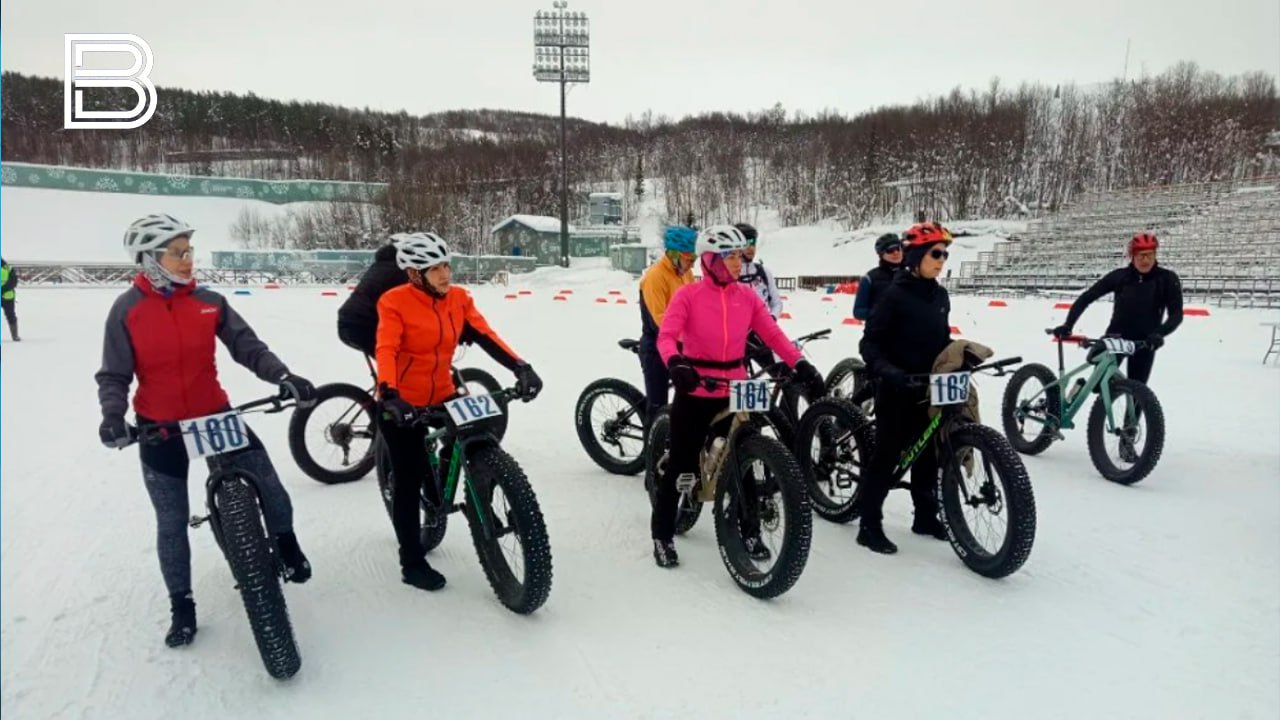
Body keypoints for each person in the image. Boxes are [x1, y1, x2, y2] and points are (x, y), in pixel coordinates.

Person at [94, 214, 318, 648]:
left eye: (189, 251)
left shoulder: (209, 301)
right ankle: (182, 605)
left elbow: (248, 348)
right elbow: (114, 375)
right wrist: (112, 416)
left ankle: (286, 544)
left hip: (214, 415)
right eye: (177, 253)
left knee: (270, 486)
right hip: (161, 427)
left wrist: (282, 376)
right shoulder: (127, 310)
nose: (188, 259)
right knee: (172, 521)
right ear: (149, 259)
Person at [373, 232, 543, 591]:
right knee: (408, 479)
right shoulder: (394, 302)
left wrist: (521, 367)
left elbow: (486, 335)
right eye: (435, 269)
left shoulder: (458, 299)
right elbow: (386, 348)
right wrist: (389, 393)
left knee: (475, 433)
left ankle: (451, 484)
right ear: (414, 274)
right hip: (401, 400)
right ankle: (411, 562)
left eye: (447, 266)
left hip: (443, 391)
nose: (445, 274)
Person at [651, 224, 826, 568]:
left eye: (738, 255)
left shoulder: (746, 296)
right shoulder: (688, 295)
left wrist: (800, 363)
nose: (737, 262)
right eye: (728, 256)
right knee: (682, 463)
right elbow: (666, 337)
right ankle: (662, 535)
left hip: (736, 384)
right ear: (709, 260)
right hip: (697, 385)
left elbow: (772, 334)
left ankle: (750, 530)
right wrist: (676, 363)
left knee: (744, 454)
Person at [856, 222, 956, 555]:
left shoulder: (940, 296)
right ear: (916, 256)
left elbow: (942, 339)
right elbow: (869, 344)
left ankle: (925, 516)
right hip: (896, 386)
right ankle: (869, 525)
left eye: (945, 254)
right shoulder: (893, 296)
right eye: (936, 254)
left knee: (928, 452)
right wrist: (889, 371)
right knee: (886, 455)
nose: (942, 260)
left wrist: (959, 356)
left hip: (928, 386)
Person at [1051, 232, 1183, 384]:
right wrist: (1068, 325)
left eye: (1150, 255)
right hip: (1116, 337)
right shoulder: (1120, 276)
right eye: (1141, 255)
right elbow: (1087, 297)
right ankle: (1083, 390)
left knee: (1137, 391)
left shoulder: (1167, 279)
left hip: (1145, 342)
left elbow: (1176, 314)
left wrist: (1159, 333)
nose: (1145, 260)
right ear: (1132, 256)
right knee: (1100, 385)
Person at [637, 225, 696, 424]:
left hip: (681, 346)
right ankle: (651, 442)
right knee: (657, 407)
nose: (692, 265)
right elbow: (660, 321)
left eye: (694, 259)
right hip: (656, 347)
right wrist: (692, 336)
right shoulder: (655, 277)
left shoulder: (685, 273)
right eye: (689, 259)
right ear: (674, 254)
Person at [337, 241, 407, 356]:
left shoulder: (378, 266)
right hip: (365, 324)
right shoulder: (397, 271)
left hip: (347, 321)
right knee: (397, 356)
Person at [852, 233, 904, 321]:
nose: (896, 253)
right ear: (881, 254)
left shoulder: (912, 273)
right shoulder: (870, 278)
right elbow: (858, 311)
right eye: (890, 250)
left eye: (898, 248)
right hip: (880, 328)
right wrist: (880, 313)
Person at [1, 257, 19, 341]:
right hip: (7, 296)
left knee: (11, 316)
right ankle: (15, 336)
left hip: (7, 297)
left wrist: (2, 290)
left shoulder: (8, 268)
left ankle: (15, 336)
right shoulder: (8, 268)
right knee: (11, 316)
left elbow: (13, 281)